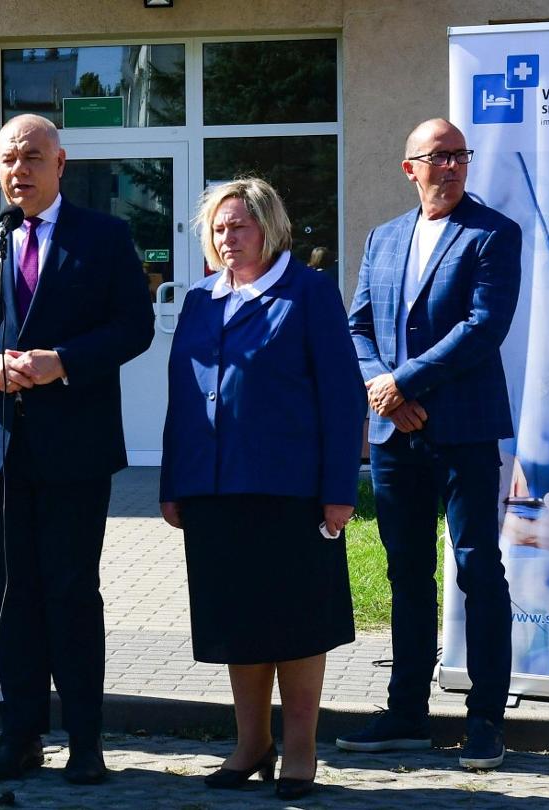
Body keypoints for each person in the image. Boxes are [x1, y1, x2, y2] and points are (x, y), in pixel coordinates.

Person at [0, 113, 154, 785]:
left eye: (32, 156)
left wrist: (64, 361)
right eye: (9, 158)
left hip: (74, 448)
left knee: (72, 591)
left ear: (61, 163)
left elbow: (133, 326)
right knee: (6, 596)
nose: (19, 168)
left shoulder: (105, 237)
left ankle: (85, 739)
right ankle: (19, 733)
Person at [160, 177, 364, 800]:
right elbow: (184, 399)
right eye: (218, 229)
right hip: (214, 490)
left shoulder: (308, 293)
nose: (227, 238)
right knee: (237, 623)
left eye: (239, 226)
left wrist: (339, 489)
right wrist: (173, 482)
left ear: (270, 229)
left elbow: (343, 394)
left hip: (291, 491)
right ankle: (251, 743)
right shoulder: (200, 300)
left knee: (297, 624)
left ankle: (300, 750)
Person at [337, 118, 520, 770]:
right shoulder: (384, 238)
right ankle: (406, 713)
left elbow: (482, 328)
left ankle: (484, 722)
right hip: (394, 437)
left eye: (458, 156)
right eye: (437, 157)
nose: (450, 167)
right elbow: (356, 326)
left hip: (463, 432)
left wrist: (402, 383)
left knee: (477, 570)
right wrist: (380, 388)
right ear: (409, 167)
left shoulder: (494, 233)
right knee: (406, 575)